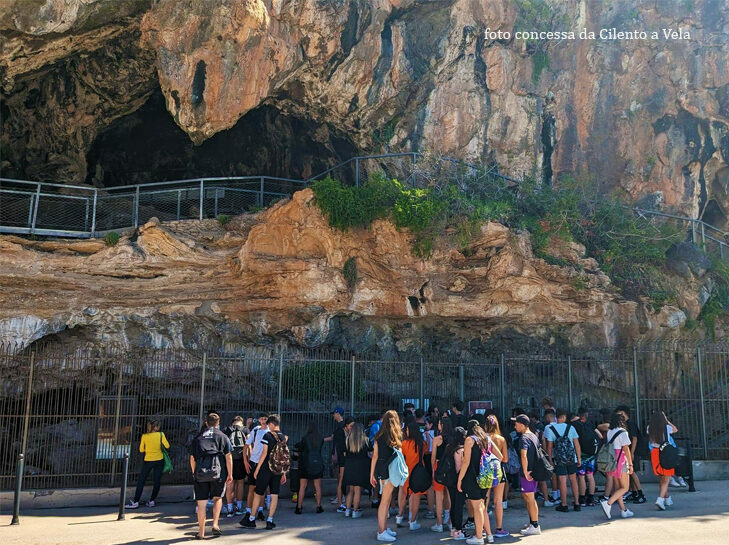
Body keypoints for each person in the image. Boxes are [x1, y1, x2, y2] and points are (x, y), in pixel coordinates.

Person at [457, 420, 502, 545]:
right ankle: (489, 535)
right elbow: (500, 456)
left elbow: (466, 462)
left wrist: (459, 479)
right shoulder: (486, 438)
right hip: (485, 477)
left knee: (477, 508)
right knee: (482, 507)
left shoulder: (469, 440)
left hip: (473, 478)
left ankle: (479, 537)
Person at [190, 413, 233, 539]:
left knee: (201, 503)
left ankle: (201, 532)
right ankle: (215, 524)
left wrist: (194, 472)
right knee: (217, 498)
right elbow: (228, 456)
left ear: (206, 423)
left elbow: (192, 458)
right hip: (218, 472)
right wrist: (230, 473)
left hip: (201, 473)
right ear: (218, 423)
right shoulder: (222, 436)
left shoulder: (198, 437)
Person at [240, 414, 287, 530]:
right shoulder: (283, 437)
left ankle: (251, 519)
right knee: (274, 494)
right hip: (277, 470)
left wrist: (257, 468)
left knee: (258, 493)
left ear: (271, 424)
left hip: (266, 469)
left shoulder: (267, 435)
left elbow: (264, 454)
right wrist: (284, 472)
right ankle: (270, 520)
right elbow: (284, 456)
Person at [370, 409, 403, 542]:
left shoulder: (378, 435)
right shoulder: (395, 436)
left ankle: (384, 528)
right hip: (391, 470)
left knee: (386, 500)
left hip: (381, 469)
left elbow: (375, 456)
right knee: (385, 502)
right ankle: (381, 531)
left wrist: (371, 474)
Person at [544, 409, 582, 512]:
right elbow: (577, 445)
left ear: (556, 417)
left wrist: (550, 460)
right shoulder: (571, 428)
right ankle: (577, 503)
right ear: (564, 417)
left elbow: (549, 447)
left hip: (559, 459)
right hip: (571, 458)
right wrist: (578, 458)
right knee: (573, 480)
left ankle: (564, 504)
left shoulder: (551, 429)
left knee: (562, 481)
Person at [127, 419, 170, 509]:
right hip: (159, 460)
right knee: (157, 481)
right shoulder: (161, 435)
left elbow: (141, 450)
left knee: (141, 480)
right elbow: (167, 446)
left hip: (148, 460)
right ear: (156, 427)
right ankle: (152, 500)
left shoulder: (144, 436)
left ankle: (136, 501)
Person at [599, 411, 635, 520]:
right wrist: (630, 464)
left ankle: (623, 510)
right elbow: (626, 449)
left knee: (618, 488)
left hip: (612, 460)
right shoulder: (623, 432)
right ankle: (608, 503)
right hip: (621, 461)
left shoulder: (610, 431)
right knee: (625, 487)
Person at [397, 420, 428, 531]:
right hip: (418, 472)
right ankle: (413, 520)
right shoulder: (421, 443)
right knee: (416, 497)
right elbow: (426, 451)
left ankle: (399, 516)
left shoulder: (405, 444)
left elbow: (401, 455)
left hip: (406, 471)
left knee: (404, 494)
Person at [513, 414, 541, 536]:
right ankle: (532, 522)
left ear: (522, 425)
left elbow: (524, 455)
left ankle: (535, 525)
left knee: (530, 498)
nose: (514, 427)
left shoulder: (524, 438)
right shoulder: (533, 436)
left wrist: (524, 471)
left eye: (516, 424)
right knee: (529, 497)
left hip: (528, 472)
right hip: (533, 471)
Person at [484, 415, 509, 538]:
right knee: (498, 501)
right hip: (499, 469)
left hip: (485, 471)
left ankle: (484, 528)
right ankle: (499, 529)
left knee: (485, 500)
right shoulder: (501, 439)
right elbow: (505, 458)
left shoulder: (483, 438)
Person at [647, 411, 678, 510]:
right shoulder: (667, 428)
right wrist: (667, 421)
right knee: (666, 478)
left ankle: (667, 498)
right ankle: (660, 499)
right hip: (664, 452)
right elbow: (675, 430)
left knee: (661, 478)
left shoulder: (649, 428)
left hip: (655, 453)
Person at [615, 405, 646, 504]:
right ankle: (633, 492)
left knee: (632, 472)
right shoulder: (625, 424)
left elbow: (634, 438)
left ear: (623, 413)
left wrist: (631, 453)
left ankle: (641, 494)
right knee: (629, 473)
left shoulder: (630, 424)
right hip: (628, 451)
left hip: (632, 451)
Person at [572, 408, 601, 506]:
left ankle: (582, 498)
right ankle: (591, 498)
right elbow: (600, 436)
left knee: (581, 476)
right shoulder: (590, 424)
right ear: (587, 415)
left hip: (581, 455)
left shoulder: (575, 425)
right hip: (591, 455)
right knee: (590, 476)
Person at [295, 421, 325, 514]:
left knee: (302, 487)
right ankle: (319, 506)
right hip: (317, 463)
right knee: (318, 486)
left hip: (305, 464)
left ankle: (299, 507)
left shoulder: (305, 438)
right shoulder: (320, 438)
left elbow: (300, 447)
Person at [343, 422, 372, 518]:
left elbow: (344, 454)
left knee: (350, 489)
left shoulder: (347, 440)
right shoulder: (366, 440)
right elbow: (371, 453)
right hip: (361, 467)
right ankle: (355, 511)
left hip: (349, 466)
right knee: (358, 489)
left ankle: (347, 510)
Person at [244, 412, 268, 521]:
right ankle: (248, 510)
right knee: (251, 488)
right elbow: (247, 445)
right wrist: (246, 461)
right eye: (262, 418)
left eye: (265, 418)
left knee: (262, 489)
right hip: (253, 462)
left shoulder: (270, 431)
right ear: (259, 420)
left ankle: (260, 510)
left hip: (264, 463)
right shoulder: (256, 430)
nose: (264, 420)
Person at [430, 416, 453, 533]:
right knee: (449, 496)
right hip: (450, 469)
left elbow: (433, 456)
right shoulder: (453, 439)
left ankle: (439, 523)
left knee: (438, 497)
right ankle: (450, 522)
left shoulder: (436, 439)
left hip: (438, 467)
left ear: (441, 426)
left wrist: (432, 468)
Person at [324, 408, 349, 512]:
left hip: (340, 455)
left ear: (338, 413)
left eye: (334, 413)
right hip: (338, 454)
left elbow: (333, 438)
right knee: (339, 477)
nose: (333, 415)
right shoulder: (340, 426)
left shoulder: (342, 425)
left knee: (341, 478)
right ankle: (340, 497)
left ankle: (341, 498)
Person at [223, 416, 248, 516]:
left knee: (230, 483)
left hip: (229, 459)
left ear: (233, 422)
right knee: (240, 483)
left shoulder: (226, 430)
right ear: (241, 422)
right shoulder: (245, 429)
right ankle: (239, 507)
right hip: (241, 460)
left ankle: (229, 509)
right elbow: (249, 445)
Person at [446, 426, 468, 540]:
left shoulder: (449, 447)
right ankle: (459, 531)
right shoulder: (460, 450)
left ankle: (454, 529)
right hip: (458, 480)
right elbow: (459, 468)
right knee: (458, 506)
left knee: (453, 504)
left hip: (449, 480)